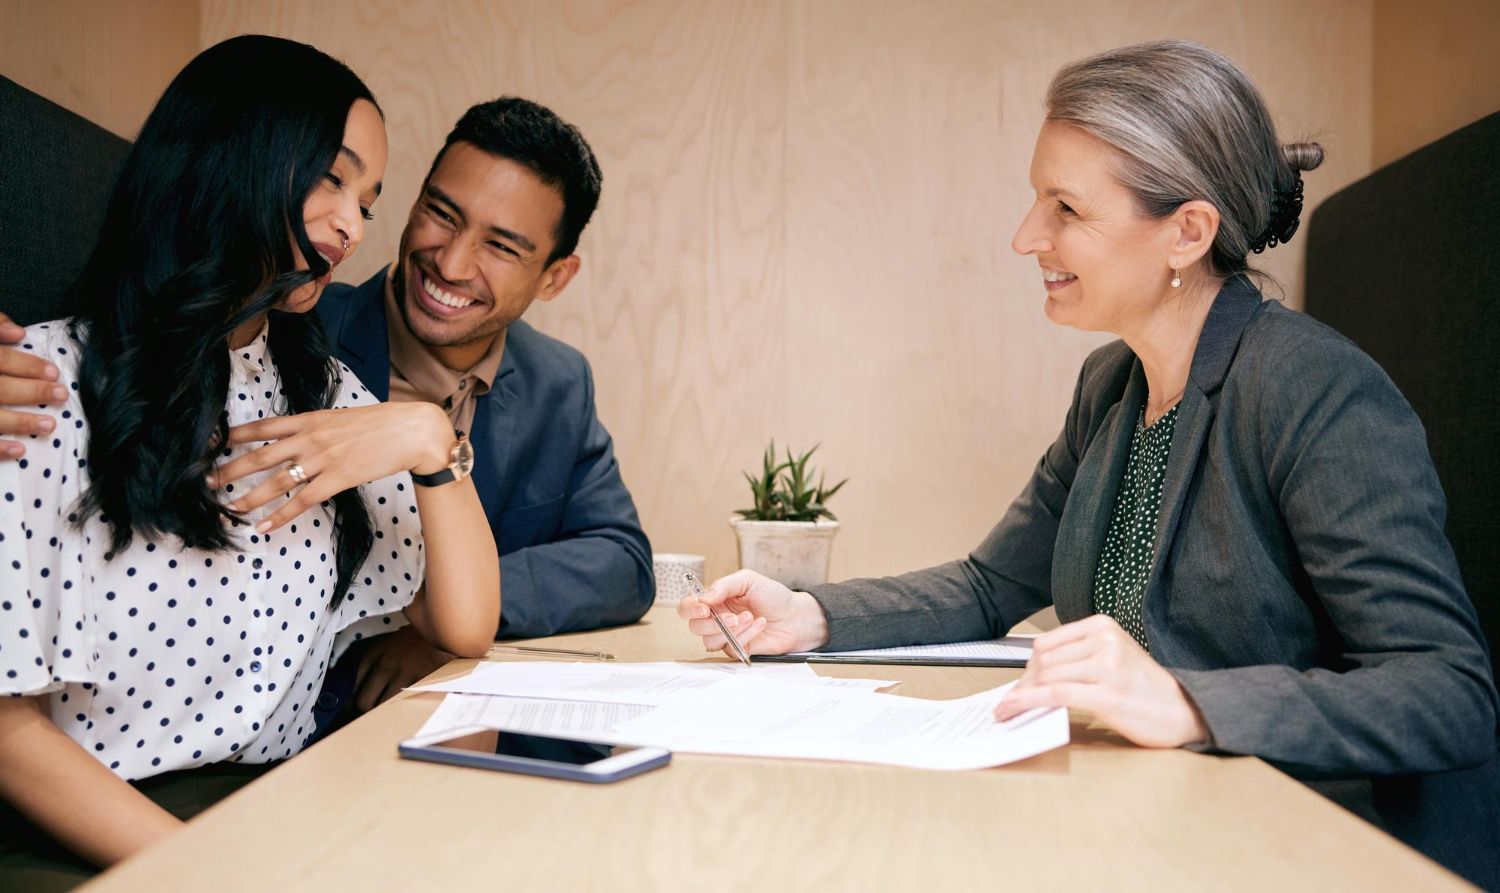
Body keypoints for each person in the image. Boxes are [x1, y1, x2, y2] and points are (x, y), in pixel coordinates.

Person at [677, 40, 1498, 886]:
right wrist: (807, 615)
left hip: (1312, 843)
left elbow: (1448, 690)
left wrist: (1185, 703)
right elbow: (991, 585)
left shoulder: (1315, 389)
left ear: (1187, 232)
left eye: (1065, 207)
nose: (1026, 235)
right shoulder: (1113, 384)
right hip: (1158, 817)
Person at [0, 35, 498, 886]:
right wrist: (216, 868)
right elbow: (11, 735)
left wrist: (429, 442)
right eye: (332, 178)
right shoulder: (43, 384)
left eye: (368, 201)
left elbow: (462, 626)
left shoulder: (322, 390)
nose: (351, 224)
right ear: (236, 159)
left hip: (285, 806)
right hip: (101, 840)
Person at [307, 97, 652, 723]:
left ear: (555, 277)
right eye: (441, 213)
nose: (451, 262)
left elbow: (621, 562)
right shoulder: (301, 335)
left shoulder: (559, 381)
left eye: (502, 246)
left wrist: (451, 622)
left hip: (471, 721)